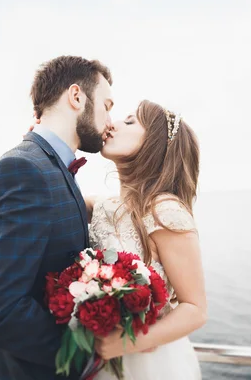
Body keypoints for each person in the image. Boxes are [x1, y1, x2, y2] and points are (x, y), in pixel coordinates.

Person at [0, 55, 114, 380]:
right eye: (107, 105)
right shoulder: (23, 170)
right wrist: (83, 354)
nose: (110, 121)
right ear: (76, 97)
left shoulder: (52, 167)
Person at [87, 100, 206, 379]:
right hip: (103, 361)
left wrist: (126, 342)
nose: (112, 123)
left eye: (130, 122)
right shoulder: (104, 206)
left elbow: (195, 309)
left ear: (154, 144)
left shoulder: (165, 210)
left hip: (152, 365)